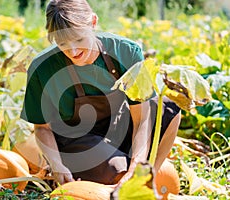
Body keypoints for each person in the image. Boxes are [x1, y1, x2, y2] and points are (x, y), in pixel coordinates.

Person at [20, 0, 181, 186]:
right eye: (62, 43)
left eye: (79, 39)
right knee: (116, 172)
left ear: (93, 22)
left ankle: (147, 178)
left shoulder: (126, 52)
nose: (72, 51)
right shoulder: (42, 68)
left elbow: (141, 118)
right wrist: (57, 165)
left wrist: (138, 162)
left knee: (169, 109)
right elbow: (42, 128)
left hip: (118, 125)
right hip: (77, 140)